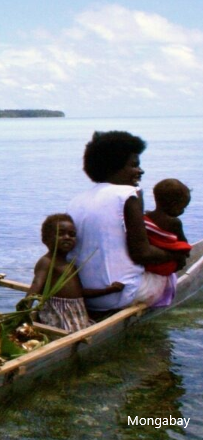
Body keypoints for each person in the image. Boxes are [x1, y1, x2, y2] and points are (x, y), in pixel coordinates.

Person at [67, 131, 187, 316]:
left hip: (82, 294)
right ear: (113, 167)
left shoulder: (77, 200)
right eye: (134, 165)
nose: (140, 171)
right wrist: (177, 255)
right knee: (170, 271)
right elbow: (142, 253)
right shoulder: (129, 193)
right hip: (120, 295)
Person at [28, 214, 124, 332]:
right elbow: (36, 286)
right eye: (61, 233)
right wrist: (23, 311)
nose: (67, 237)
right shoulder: (47, 262)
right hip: (59, 316)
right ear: (46, 239)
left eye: (72, 235)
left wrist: (109, 290)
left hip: (75, 315)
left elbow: (79, 293)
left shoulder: (71, 265)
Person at [142, 179, 192, 307]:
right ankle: (167, 293)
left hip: (148, 263)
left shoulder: (145, 218)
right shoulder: (174, 222)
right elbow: (183, 244)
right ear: (175, 204)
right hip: (164, 265)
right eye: (183, 207)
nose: (183, 211)